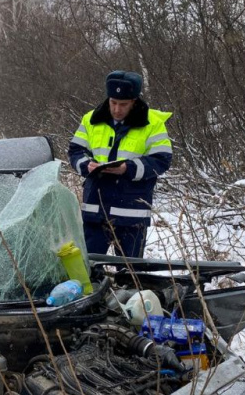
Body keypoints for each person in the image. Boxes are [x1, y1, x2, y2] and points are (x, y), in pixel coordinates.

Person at [68, 70, 173, 258]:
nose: (117, 109)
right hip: (95, 210)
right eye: (113, 103)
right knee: (90, 271)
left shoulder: (153, 123)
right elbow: (75, 151)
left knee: (131, 275)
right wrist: (86, 166)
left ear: (134, 101)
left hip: (132, 214)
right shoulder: (91, 119)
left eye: (123, 104)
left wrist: (127, 168)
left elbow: (162, 160)